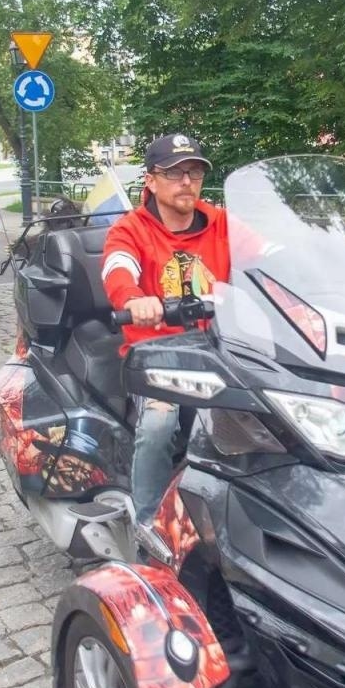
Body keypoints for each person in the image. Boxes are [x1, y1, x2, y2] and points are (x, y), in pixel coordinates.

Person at [101, 134, 233, 547]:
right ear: (152, 180)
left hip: (220, 348)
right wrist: (134, 299)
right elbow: (117, 268)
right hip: (157, 354)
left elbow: (269, 253)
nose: (187, 182)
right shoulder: (131, 230)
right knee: (159, 422)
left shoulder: (222, 222)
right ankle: (148, 527)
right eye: (175, 173)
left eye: (194, 172)